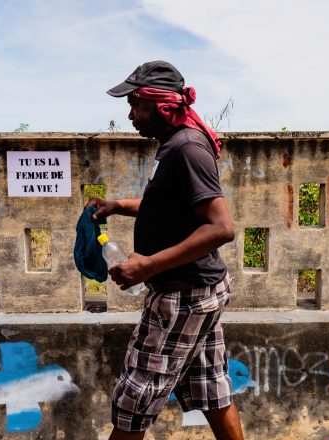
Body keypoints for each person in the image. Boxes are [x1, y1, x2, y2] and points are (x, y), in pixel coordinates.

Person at [88, 61, 244, 440]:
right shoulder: (175, 144)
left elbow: (221, 227)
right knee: (211, 389)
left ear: (159, 104)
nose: (129, 115)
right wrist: (118, 206)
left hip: (182, 294)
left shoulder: (186, 148)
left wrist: (147, 266)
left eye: (135, 104)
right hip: (198, 291)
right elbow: (171, 205)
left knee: (134, 397)